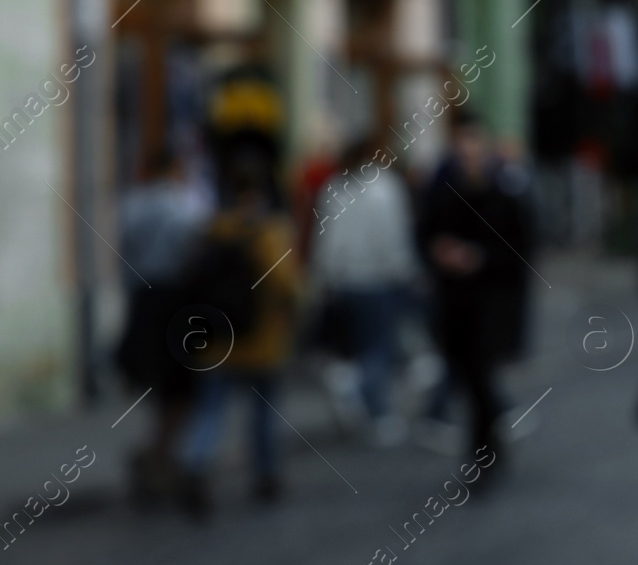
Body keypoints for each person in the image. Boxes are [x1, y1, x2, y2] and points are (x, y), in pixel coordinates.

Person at [177, 155, 302, 516]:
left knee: (210, 411)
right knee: (264, 411)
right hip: (261, 340)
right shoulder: (270, 231)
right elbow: (285, 283)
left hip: (216, 338)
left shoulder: (213, 229)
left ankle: (196, 465)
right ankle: (266, 475)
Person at [417, 111, 532, 473]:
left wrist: (478, 257)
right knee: (469, 378)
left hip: (489, 306)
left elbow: (519, 251)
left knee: (479, 377)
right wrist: (440, 253)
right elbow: (425, 236)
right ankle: (488, 443)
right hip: (455, 304)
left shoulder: (503, 195)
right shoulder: (445, 194)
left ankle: (485, 451)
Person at [310, 136, 420, 446]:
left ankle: (354, 386)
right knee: (379, 349)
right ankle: (373, 405)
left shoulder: (334, 188)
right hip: (378, 278)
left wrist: (325, 276)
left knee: (358, 344)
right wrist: (406, 272)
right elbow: (394, 236)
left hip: (345, 279)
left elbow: (326, 237)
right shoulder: (385, 188)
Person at [115, 150, 210, 505]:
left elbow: (124, 254)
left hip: (143, 300)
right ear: (173, 170)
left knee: (157, 387)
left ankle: (157, 459)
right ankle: (159, 459)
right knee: (181, 390)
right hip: (176, 303)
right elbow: (195, 251)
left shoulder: (132, 206)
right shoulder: (184, 205)